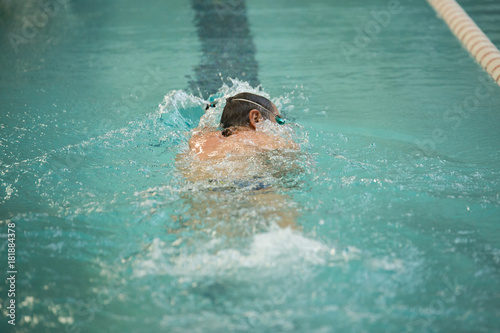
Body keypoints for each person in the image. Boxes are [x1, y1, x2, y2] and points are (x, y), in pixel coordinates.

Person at [188, 92, 296, 161]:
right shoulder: (258, 139)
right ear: (255, 118)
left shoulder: (199, 139)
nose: (279, 128)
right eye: (278, 121)